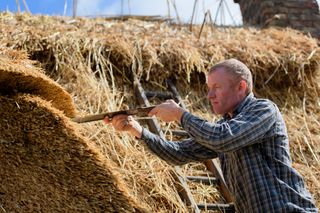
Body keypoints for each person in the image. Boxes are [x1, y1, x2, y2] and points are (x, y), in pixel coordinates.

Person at [104, 59, 318, 212]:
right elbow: (178, 153)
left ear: (241, 87)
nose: (209, 95)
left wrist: (180, 115)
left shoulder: (263, 110)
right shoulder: (225, 125)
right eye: (208, 88)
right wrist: (135, 129)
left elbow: (223, 138)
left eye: (216, 87)